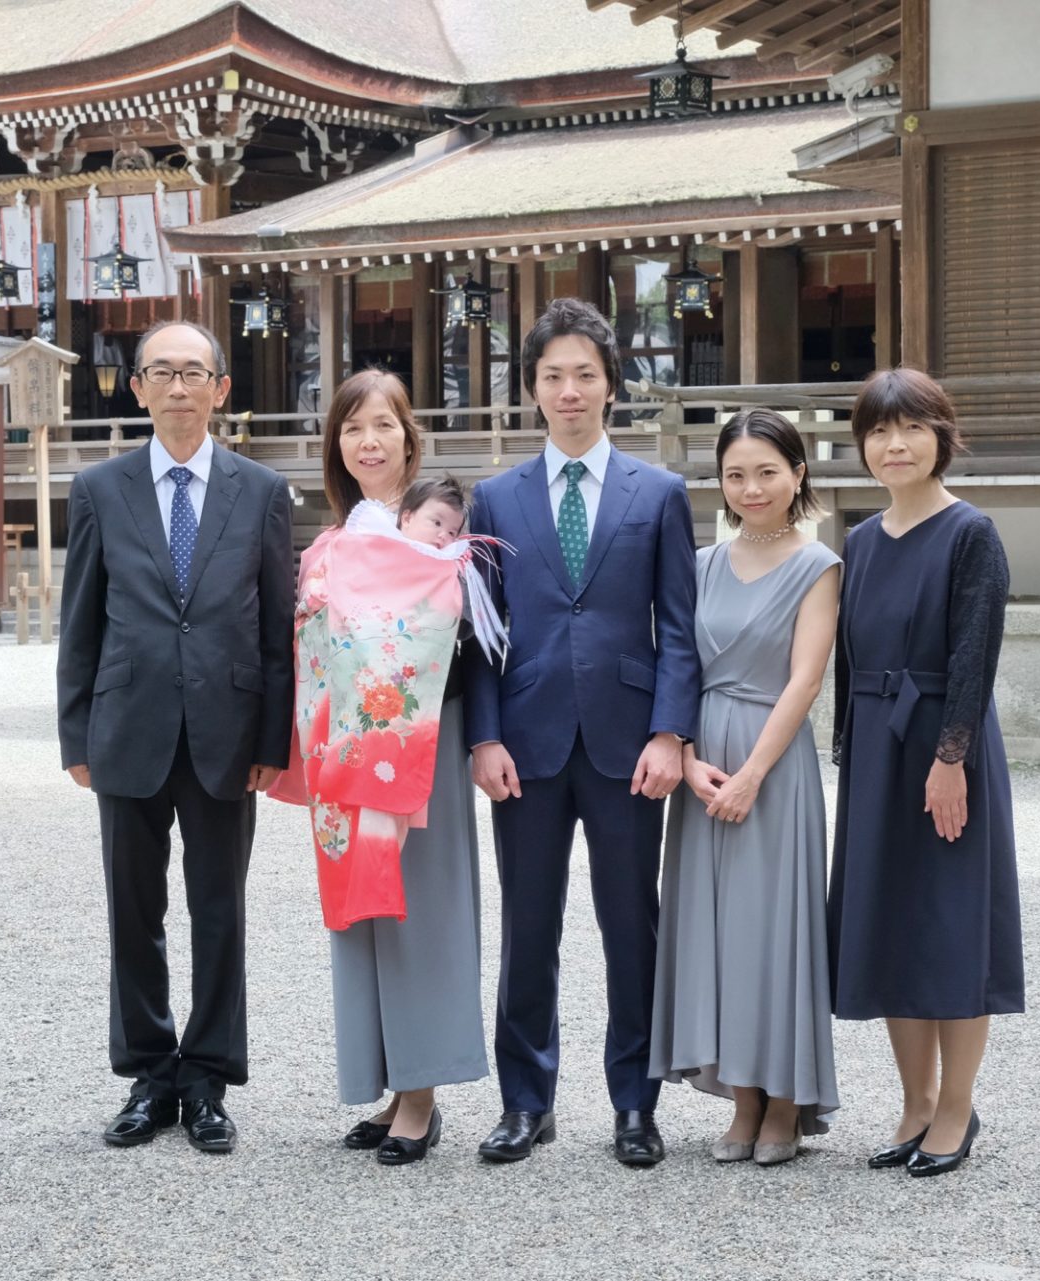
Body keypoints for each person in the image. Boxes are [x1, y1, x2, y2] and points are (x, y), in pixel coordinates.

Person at [465, 297, 700, 1167]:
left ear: (612, 387)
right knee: (529, 927)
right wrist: (481, 737)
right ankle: (526, 1101)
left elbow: (678, 625)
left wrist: (671, 730)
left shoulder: (659, 493)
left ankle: (635, 1104)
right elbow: (480, 635)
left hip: (627, 742)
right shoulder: (497, 494)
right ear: (533, 390)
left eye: (585, 375)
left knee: (630, 928)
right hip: (523, 744)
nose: (570, 390)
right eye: (553, 376)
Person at [56, 319, 295, 1154]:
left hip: (230, 731)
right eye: (163, 372)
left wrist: (276, 735)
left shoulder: (260, 491)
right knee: (135, 908)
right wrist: (74, 732)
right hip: (128, 725)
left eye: (196, 372)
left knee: (219, 908)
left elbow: (274, 627)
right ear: (138, 388)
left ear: (222, 389)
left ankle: (209, 1077)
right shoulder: (100, 489)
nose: (181, 388)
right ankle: (150, 1070)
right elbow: (79, 619)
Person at [284, 369, 489, 1167]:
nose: (368, 442)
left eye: (383, 425)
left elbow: (453, 637)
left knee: (418, 904)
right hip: (344, 745)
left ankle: (423, 1092)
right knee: (361, 911)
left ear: (410, 435)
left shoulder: (438, 528)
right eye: (352, 429)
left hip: (414, 739)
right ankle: (388, 1079)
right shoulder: (333, 536)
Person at [828, 368, 1024, 1179]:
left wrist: (952, 758)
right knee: (887, 923)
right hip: (876, 748)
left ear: (942, 436)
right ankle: (913, 1101)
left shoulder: (970, 533)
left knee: (950, 923)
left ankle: (956, 1105)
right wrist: (849, 750)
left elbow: (975, 655)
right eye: (878, 430)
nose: (894, 444)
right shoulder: (861, 542)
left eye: (911, 427)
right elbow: (847, 660)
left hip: (948, 746)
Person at [650, 408, 842, 1167]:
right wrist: (690, 757)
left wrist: (754, 772)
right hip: (704, 766)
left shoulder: (818, 564)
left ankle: (787, 1097)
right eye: (736, 473)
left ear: (798, 473)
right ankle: (743, 1093)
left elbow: (807, 676)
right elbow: (679, 663)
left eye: (767, 470)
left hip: (773, 761)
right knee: (716, 928)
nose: (751, 486)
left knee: (774, 927)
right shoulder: (700, 562)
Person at [396, 475, 467, 549]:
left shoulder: (447, 557)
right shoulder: (388, 547)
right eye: (437, 523)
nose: (444, 536)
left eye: (451, 533)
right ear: (407, 519)